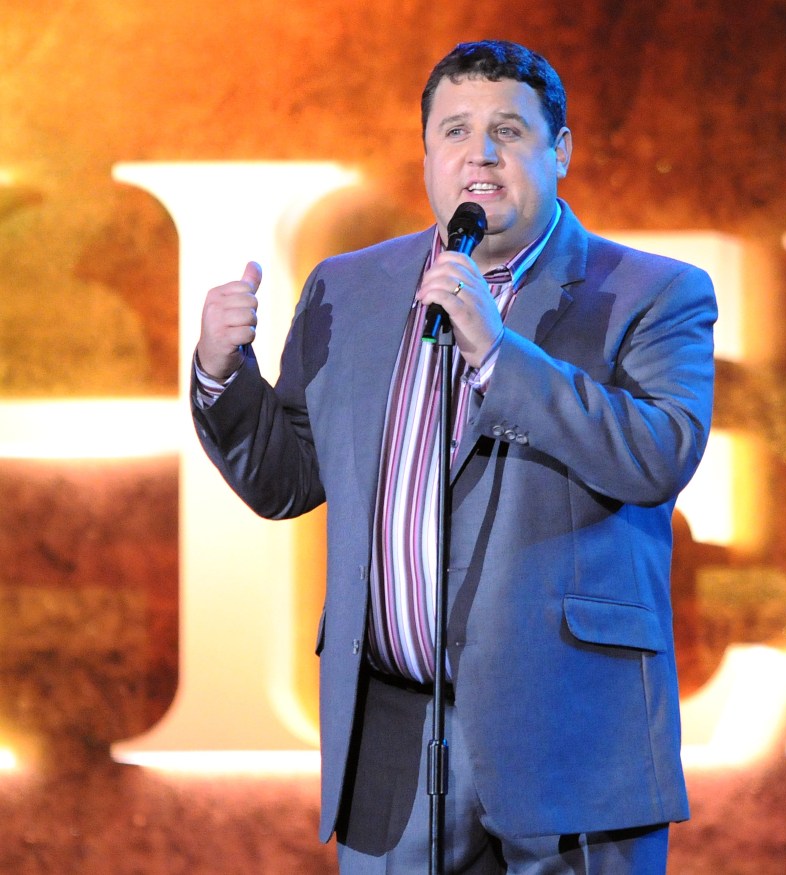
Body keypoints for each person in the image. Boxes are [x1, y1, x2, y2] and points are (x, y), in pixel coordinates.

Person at [192, 40, 716, 875]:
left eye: (509, 130)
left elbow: (657, 453)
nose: (481, 153)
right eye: (456, 131)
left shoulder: (651, 293)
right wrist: (224, 375)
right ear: (427, 153)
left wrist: (501, 354)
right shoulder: (348, 287)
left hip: (565, 737)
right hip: (395, 734)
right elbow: (287, 477)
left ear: (561, 152)